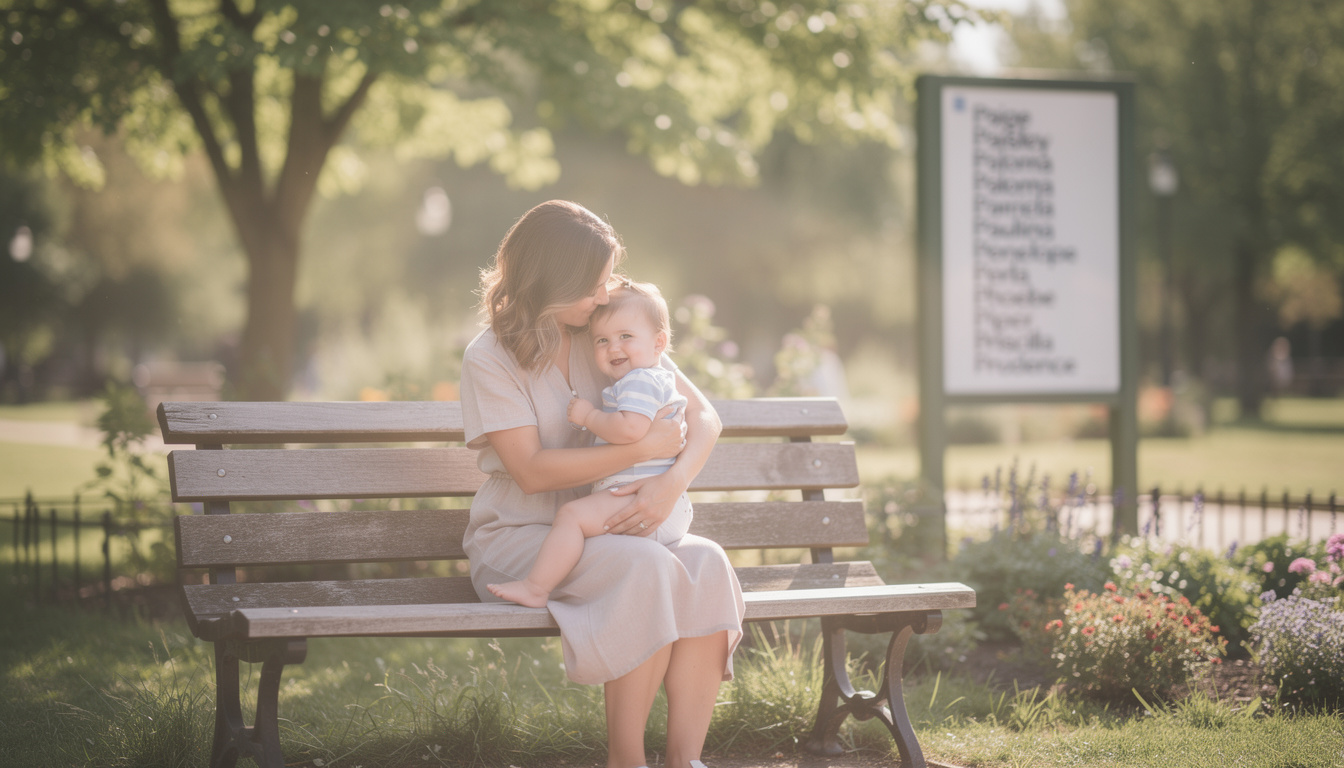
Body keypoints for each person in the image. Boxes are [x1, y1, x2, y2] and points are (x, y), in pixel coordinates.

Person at [459, 200, 745, 768]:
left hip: (615, 523)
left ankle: (684, 760)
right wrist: (640, 449)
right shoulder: (489, 357)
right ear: (553, 281)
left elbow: (705, 418)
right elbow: (531, 471)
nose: (604, 292)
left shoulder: (608, 330)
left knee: (707, 563)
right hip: (524, 538)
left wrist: (670, 485)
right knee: (646, 566)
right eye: (592, 284)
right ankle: (626, 760)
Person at [487, 279, 694, 608]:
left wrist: (589, 416)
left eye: (625, 337)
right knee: (650, 563)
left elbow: (630, 430)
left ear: (659, 343)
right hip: (649, 502)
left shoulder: (640, 379)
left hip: (642, 499)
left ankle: (536, 587)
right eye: (602, 340)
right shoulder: (648, 372)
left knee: (572, 517)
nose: (614, 348)